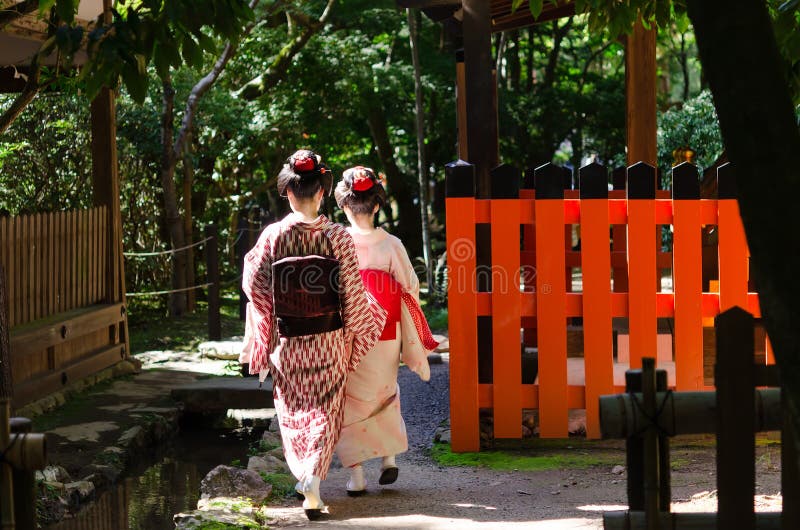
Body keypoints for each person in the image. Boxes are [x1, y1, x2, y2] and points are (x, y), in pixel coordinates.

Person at [242, 150, 386, 518]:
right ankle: (313, 482)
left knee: (292, 412)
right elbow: (353, 294)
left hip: (288, 342)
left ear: (288, 192)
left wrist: (272, 320)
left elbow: (255, 286)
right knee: (326, 411)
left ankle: (305, 476)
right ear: (322, 192)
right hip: (329, 340)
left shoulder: (272, 236)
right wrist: (357, 331)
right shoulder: (338, 237)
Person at [333, 166, 439, 496]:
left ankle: (357, 477)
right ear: (377, 205)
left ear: (344, 206)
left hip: (349, 330)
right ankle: (389, 459)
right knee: (387, 390)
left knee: (348, 399)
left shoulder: (337, 241)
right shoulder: (391, 243)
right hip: (387, 330)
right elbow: (410, 284)